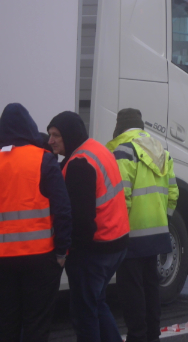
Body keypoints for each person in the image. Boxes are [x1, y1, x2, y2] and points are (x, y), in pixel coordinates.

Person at [47, 111, 129, 342]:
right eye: (49, 134)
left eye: (56, 135)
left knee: (84, 314)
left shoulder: (79, 164)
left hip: (95, 250)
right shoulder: (95, 149)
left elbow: (81, 221)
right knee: (96, 303)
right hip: (116, 242)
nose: (50, 140)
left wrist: (68, 254)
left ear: (70, 136)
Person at [0, 103, 72, 342]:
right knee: (37, 325)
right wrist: (62, 251)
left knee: (7, 323)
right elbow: (62, 209)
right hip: (41, 259)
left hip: (3, 261)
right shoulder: (43, 159)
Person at [106, 108, 178, 342]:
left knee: (131, 291)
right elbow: (173, 192)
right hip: (157, 232)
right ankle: (151, 335)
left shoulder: (124, 150)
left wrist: (116, 229)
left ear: (120, 126)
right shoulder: (162, 151)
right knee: (151, 287)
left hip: (131, 232)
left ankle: (137, 336)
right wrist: (162, 219)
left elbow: (120, 194)